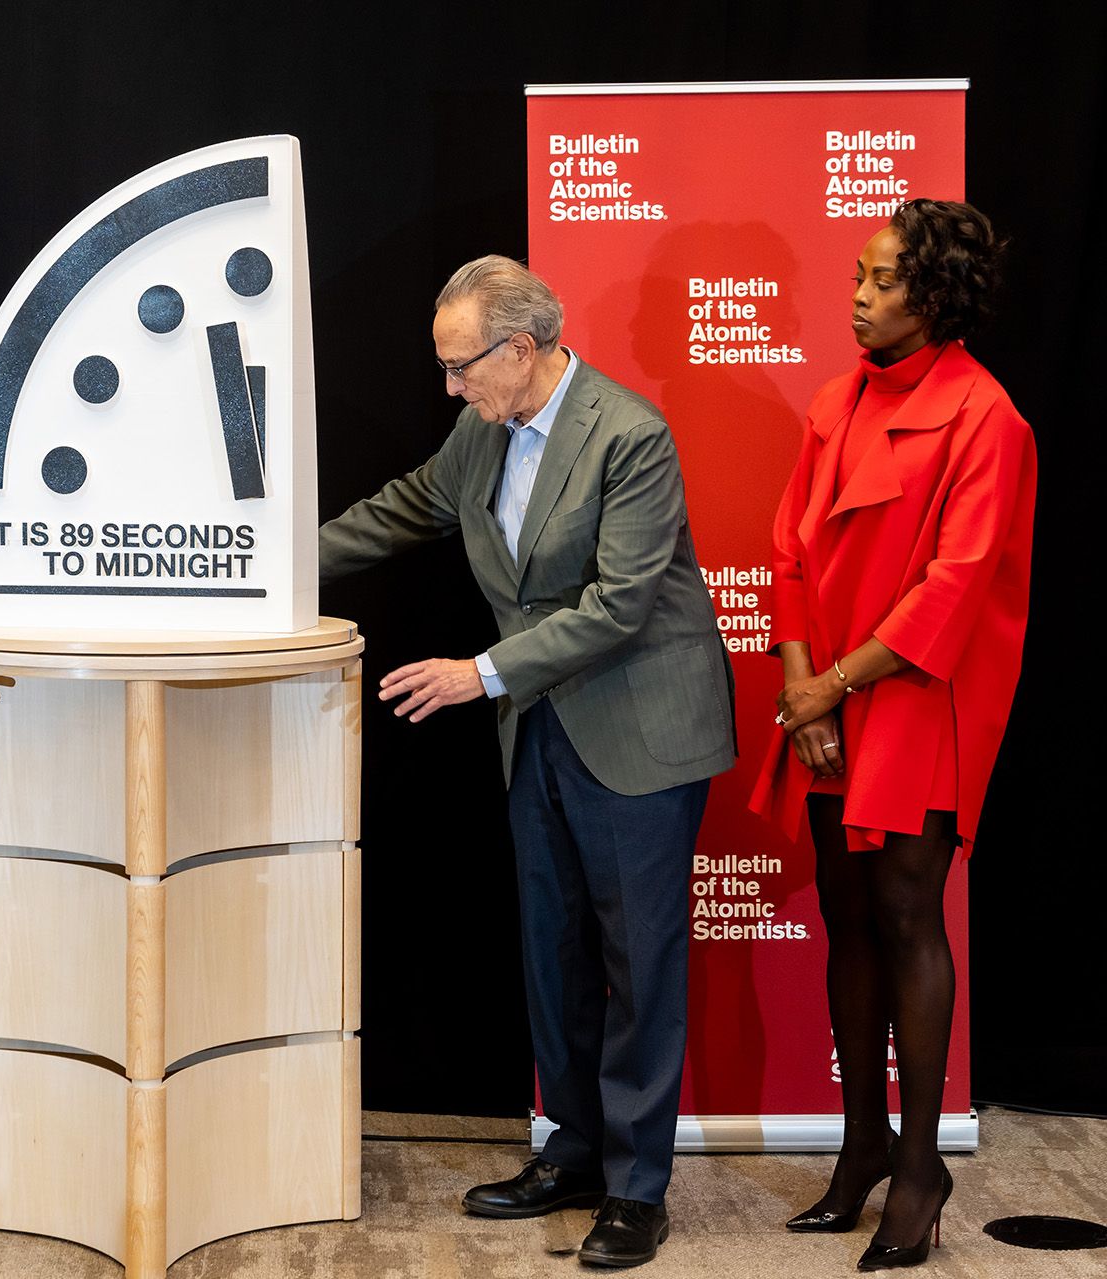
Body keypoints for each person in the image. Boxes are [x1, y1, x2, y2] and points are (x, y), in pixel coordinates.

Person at [320, 255, 735, 1269]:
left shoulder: (628, 434)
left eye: (463, 367)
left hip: (638, 726)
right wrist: (257, 560)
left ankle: (638, 1188)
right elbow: (403, 507)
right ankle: (576, 1153)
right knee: (553, 953)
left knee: (638, 963)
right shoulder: (483, 429)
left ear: (522, 348)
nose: (450, 388)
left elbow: (619, 605)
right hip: (539, 724)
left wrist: (478, 673)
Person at [750, 199, 1033, 1271]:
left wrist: (832, 687)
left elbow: (953, 590)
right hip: (830, 690)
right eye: (858, 276)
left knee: (910, 913)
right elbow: (786, 551)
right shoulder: (835, 400)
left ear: (936, 295)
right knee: (847, 914)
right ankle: (862, 1142)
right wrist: (803, 687)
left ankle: (921, 1164)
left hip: (922, 696)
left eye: (880, 279)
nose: (858, 295)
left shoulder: (987, 418)